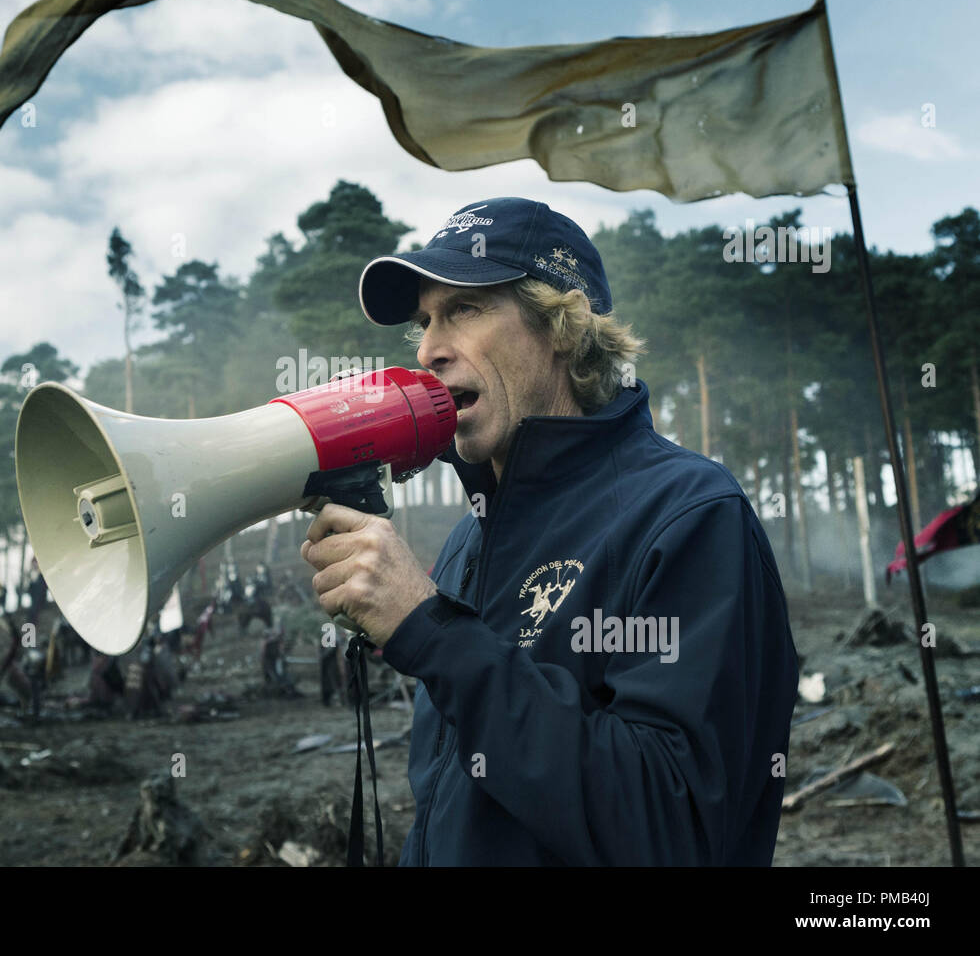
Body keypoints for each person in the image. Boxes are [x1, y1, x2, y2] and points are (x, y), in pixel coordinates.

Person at [300, 196, 799, 867]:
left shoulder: (689, 514)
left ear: (562, 325)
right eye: (424, 320)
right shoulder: (463, 546)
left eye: (465, 309)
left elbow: (671, 823)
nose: (427, 349)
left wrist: (432, 631)